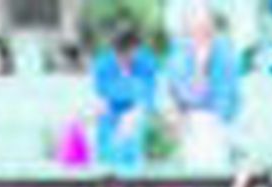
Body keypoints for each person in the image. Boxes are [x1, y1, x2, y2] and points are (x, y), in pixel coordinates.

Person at [161, 3, 242, 171]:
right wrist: (173, 112)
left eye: (204, 25)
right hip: (188, 125)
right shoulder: (179, 52)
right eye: (193, 24)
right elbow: (172, 88)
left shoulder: (224, 52)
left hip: (216, 126)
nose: (198, 31)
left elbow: (226, 100)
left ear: (211, 25)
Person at [92, 23, 158, 171]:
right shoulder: (103, 65)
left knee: (133, 133)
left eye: (128, 53)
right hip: (111, 115)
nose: (124, 59)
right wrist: (101, 107)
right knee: (107, 134)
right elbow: (101, 96)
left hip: (136, 114)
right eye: (119, 54)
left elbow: (148, 98)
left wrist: (132, 115)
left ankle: (133, 172)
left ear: (136, 49)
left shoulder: (147, 64)